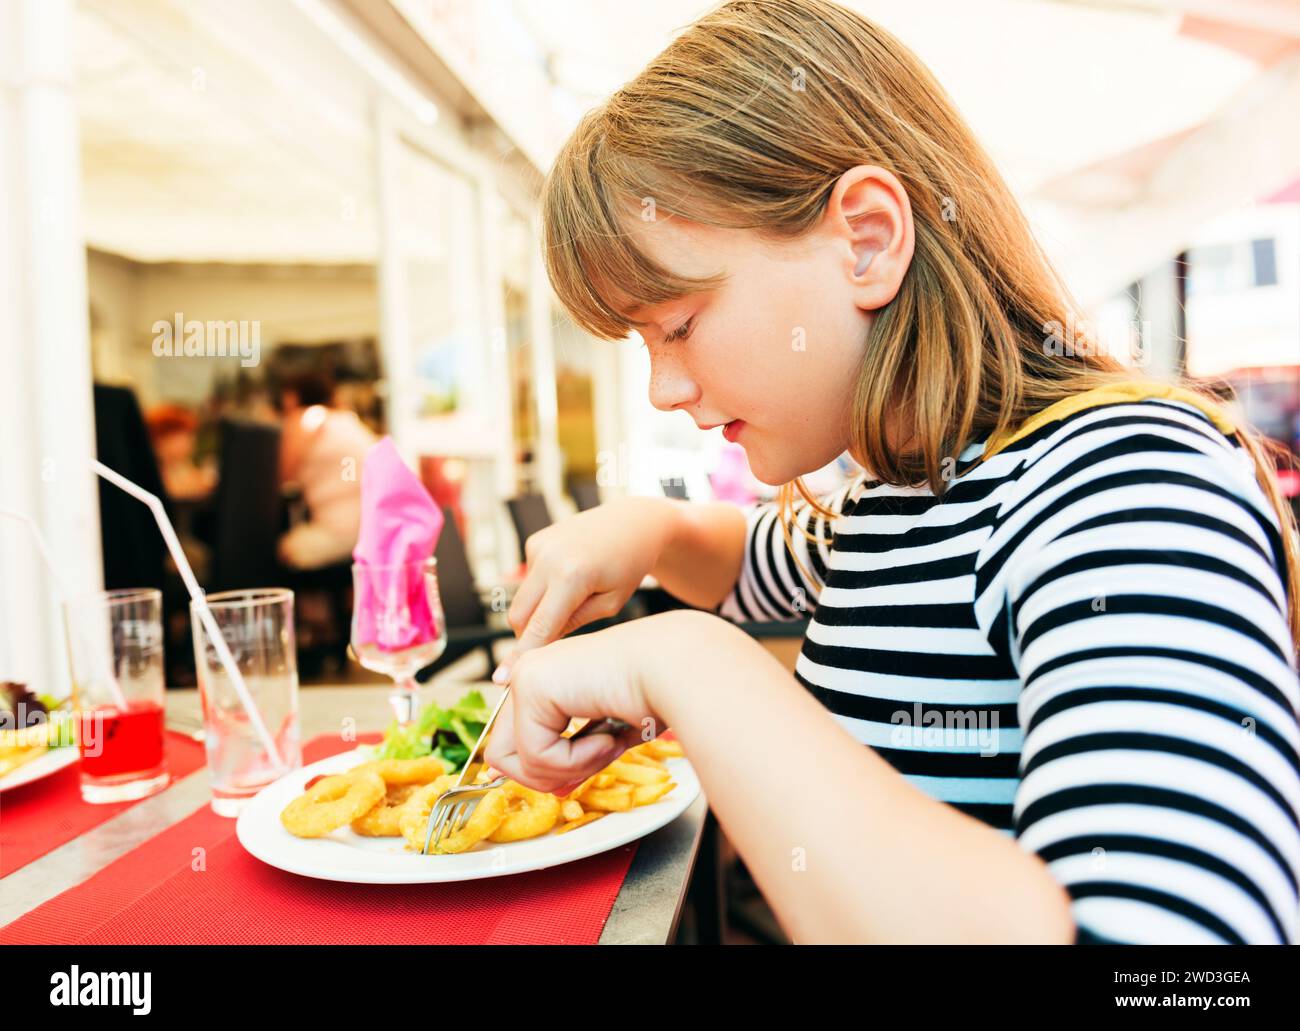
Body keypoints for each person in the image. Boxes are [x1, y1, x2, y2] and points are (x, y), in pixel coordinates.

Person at [481, 0, 1300, 944]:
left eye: (676, 324)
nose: (663, 386)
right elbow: (752, 556)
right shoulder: (903, 489)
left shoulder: (1123, 482)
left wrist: (687, 664)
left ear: (866, 241)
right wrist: (645, 529)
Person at [276, 371, 377, 569]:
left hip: (340, 533)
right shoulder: (347, 419)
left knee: (280, 551)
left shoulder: (305, 419)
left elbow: (281, 475)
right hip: (373, 530)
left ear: (293, 396)